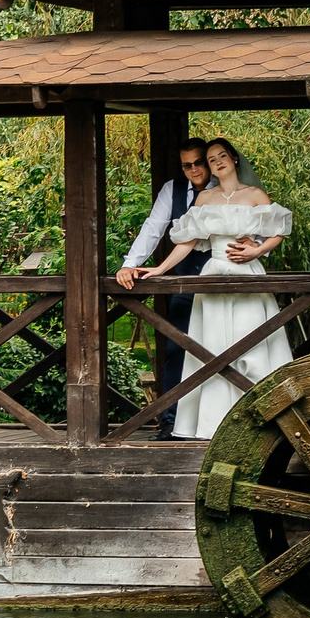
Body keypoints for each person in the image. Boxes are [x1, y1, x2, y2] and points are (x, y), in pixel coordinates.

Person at [137, 137, 293, 440]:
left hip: (247, 272)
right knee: (213, 346)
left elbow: (278, 232)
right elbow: (188, 241)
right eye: (211, 159)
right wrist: (159, 269)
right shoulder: (205, 200)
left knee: (252, 342)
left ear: (234, 159)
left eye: (222, 156)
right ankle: (214, 423)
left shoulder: (255, 194)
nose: (217, 162)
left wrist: (256, 251)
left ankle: (263, 420)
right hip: (213, 274)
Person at [115, 139, 211, 434]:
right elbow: (153, 227)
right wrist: (130, 263)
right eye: (187, 165)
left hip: (219, 275)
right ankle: (172, 420)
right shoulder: (173, 189)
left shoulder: (226, 186)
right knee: (176, 347)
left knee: (220, 344)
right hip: (183, 275)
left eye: (198, 162)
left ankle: (212, 419)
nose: (193, 169)